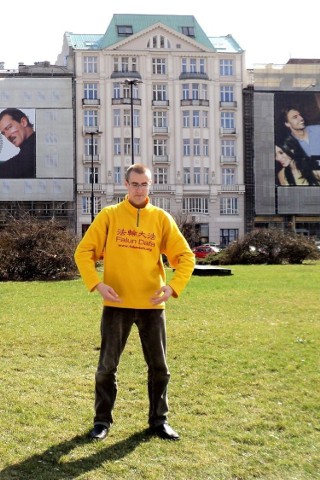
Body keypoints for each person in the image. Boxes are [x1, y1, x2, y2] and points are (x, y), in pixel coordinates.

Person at [74, 164, 195, 441]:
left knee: (160, 368)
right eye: (135, 184)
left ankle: (158, 421)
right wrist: (97, 284)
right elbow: (84, 252)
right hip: (116, 305)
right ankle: (102, 421)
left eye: (145, 184)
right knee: (106, 367)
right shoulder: (110, 216)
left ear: (150, 186)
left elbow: (186, 257)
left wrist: (173, 287)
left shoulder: (161, 218)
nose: (140, 189)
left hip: (152, 306)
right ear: (125, 185)